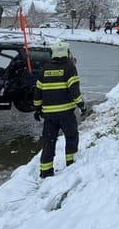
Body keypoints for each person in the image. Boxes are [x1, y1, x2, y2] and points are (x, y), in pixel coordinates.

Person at [33, 40, 87, 178]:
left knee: (49, 142)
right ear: (66, 53)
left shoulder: (45, 68)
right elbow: (74, 91)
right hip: (66, 114)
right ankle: (71, 164)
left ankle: (45, 171)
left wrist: (37, 108)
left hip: (49, 115)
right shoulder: (69, 67)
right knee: (71, 137)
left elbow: (38, 90)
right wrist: (82, 106)